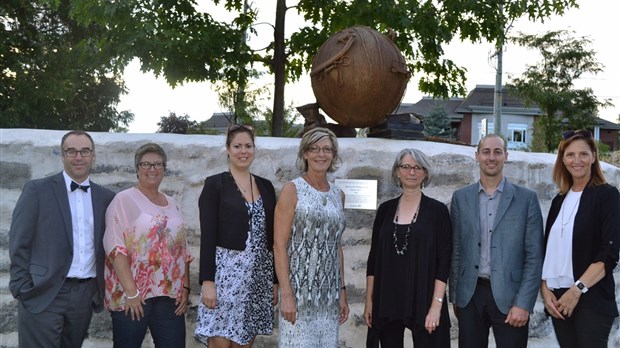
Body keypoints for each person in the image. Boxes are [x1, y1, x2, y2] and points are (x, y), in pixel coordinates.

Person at [9, 130, 115, 347]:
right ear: (62, 155)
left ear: (93, 155)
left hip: (84, 296)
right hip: (42, 293)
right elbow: (19, 242)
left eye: (85, 151)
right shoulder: (36, 190)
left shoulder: (107, 198)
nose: (78, 157)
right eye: (71, 151)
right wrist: (22, 287)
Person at [449, 134, 544, 348]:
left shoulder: (526, 199)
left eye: (497, 152)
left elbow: (534, 256)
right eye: (486, 152)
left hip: (511, 297)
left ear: (506, 156)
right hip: (470, 296)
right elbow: (456, 250)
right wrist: (456, 295)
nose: (491, 157)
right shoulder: (460, 198)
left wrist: (524, 303)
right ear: (477, 156)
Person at [194, 124, 278, 347]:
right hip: (224, 277)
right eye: (237, 146)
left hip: (257, 277)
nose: (243, 151)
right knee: (221, 342)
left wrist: (275, 282)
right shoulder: (215, 185)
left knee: (244, 344)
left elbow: (274, 239)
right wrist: (208, 281)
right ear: (228, 149)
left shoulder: (267, 187)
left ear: (254, 148)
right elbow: (208, 237)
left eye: (248, 146)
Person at [103, 143, 192, 347]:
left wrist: (185, 286)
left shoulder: (172, 203)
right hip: (133, 296)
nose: (152, 169)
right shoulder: (123, 200)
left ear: (164, 169)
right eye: (146, 164)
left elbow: (182, 251)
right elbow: (115, 248)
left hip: (169, 296)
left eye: (158, 164)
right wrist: (132, 292)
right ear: (137, 169)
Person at [364, 149, 452, 347]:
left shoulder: (438, 211)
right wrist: (370, 301)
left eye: (417, 167)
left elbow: (444, 262)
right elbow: (374, 259)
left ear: (425, 173)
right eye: (406, 167)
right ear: (397, 171)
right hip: (387, 298)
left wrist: (436, 307)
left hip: (424, 297)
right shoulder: (385, 210)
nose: (411, 172)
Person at [540, 130, 619, 348]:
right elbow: (549, 251)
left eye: (583, 154)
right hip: (558, 299)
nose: (577, 160)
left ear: (594, 156)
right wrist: (545, 290)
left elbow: (609, 254)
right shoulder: (559, 200)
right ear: (563, 160)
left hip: (590, 299)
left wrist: (576, 291)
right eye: (570, 155)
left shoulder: (607, 195)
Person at [274, 127, 349, 348]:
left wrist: (342, 292)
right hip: (298, 294)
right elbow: (279, 245)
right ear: (305, 153)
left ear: (333, 155)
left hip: (328, 296)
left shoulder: (338, 195)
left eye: (327, 149)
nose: (321, 154)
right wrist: (286, 294)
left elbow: (336, 246)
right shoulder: (292, 190)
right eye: (314, 148)